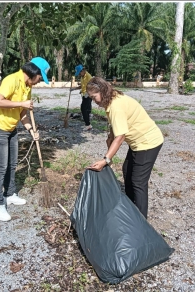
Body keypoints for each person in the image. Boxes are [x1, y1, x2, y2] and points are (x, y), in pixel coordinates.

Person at [86, 77, 164, 219]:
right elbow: (114, 131)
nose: (94, 101)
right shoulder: (111, 99)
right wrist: (109, 149)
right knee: (127, 171)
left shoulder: (116, 106)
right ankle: (130, 209)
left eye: (94, 97)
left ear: (102, 91)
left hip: (148, 142)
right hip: (137, 143)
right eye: (91, 98)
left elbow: (120, 137)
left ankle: (141, 221)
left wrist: (106, 160)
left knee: (138, 182)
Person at [0, 57, 50, 222]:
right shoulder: (12, 80)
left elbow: (22, 113)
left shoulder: (28, 86)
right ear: (33, 71)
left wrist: (31, 130)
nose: (39, 82)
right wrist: (22, 102)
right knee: (0, 167)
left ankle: (9, 194)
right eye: (40, 77)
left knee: (12, 164)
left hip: (11, 129)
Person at [70, 64, 93, 130]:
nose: (79, 74)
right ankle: (88, 124)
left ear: (83, 70)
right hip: (84, 95)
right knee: (87, 110)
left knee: (83, 108)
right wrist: (74, 89)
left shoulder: (88, 76)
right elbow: (83, 86)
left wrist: (88, 93)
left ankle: (88, 125)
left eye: (80, 73)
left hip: (88, 95)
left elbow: (92, 86)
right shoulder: (82, 77)